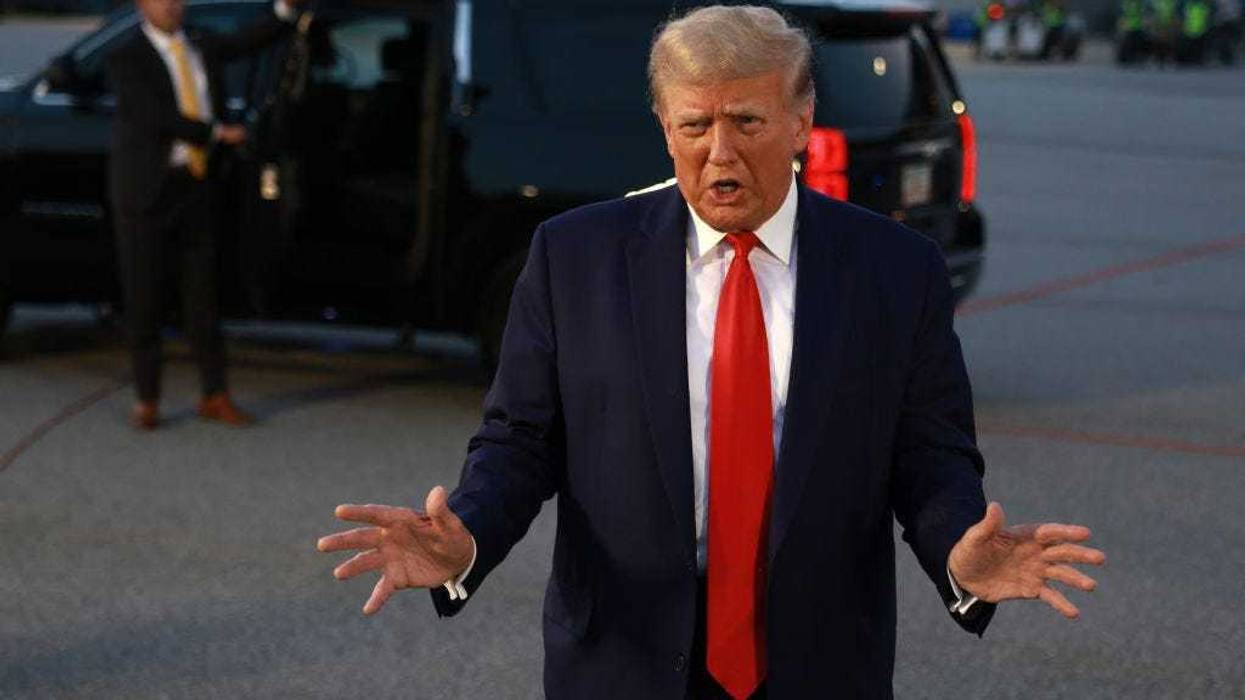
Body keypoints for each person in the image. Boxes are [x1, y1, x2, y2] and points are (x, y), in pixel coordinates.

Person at [317, 6, 1106, 698]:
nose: (719, 152)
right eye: (695, 126)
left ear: (800, 120)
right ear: (665, 128)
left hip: (820, 664)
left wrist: (959, 553)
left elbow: (929, 455)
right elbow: (520, 440)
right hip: (620, 660)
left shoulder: (896, 271)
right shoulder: (574, 257)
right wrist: (467, 536)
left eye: (747, 122)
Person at [106, 0, 304, 429]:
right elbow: (154, 116)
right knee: (144, 296)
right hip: (146, 192)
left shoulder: (199, 43)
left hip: (195, 188)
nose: (172, 6)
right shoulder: (126, 56)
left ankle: (214, 394)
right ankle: (147, 398)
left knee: (203, 295)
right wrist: (216, 133)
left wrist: (285, 10)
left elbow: (246, 41)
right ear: (142, 5)